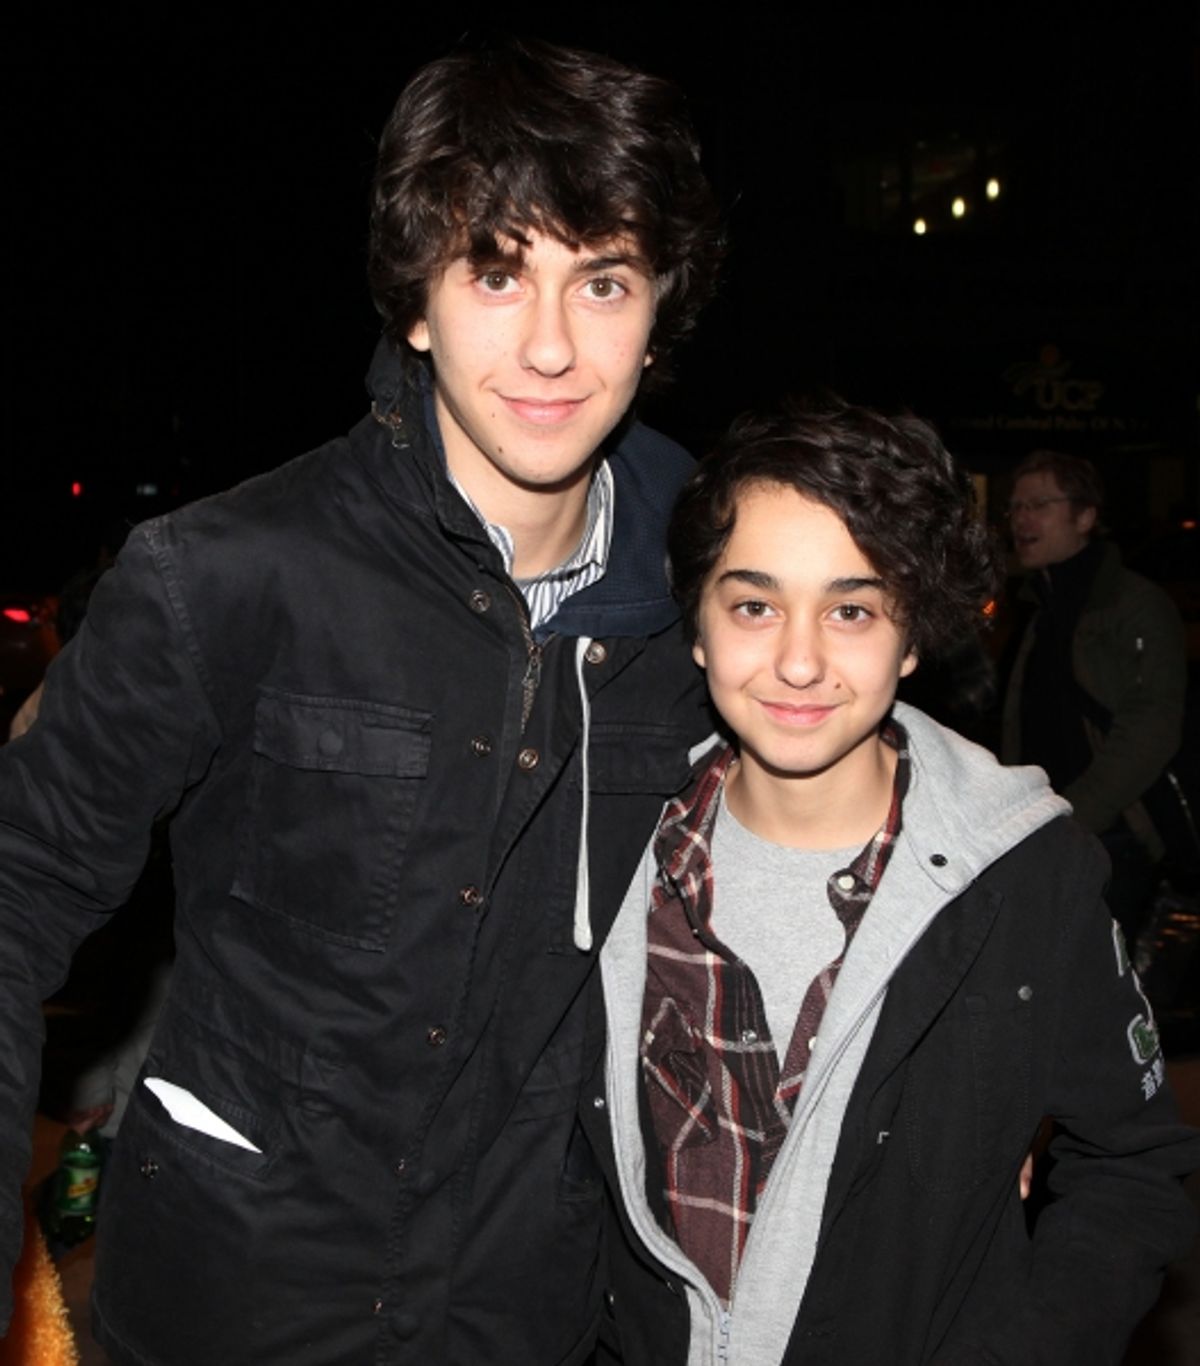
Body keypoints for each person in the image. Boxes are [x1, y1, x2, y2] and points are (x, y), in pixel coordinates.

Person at [0, 38, 722, 1364]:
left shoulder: (714, 607)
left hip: (535, 1303)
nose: (553, 344)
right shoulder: (222, 575)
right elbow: (17, 890)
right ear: (417, 300)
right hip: (239, 1298)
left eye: (602, 279)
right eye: (498, 271)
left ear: (657, 305)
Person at [581, 400, 1200, 1366]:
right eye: (754, 604)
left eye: (852, 610)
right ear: (695, 625)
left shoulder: (1026, 877)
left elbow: (1132, 1161)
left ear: (913, 641)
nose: (797, 659)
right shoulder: (602, 848)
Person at [1002, 450, 1188, 942]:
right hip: (1046, 829)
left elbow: (1153, 726)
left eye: (1038, 505)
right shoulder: (1039, 604)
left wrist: (1075, 813)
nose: (1021, 519)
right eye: (1015, 507)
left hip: (1111, 834)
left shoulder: (1134, 605)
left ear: (1085, 517)